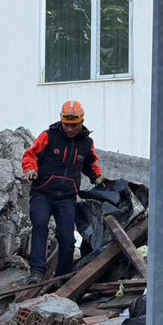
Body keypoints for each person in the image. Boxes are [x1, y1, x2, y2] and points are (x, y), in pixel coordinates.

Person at [21, 100, 108, 285]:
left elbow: (90, 164)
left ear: (81, 122)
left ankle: (62, 277)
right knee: (40, 226)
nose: (70, 129)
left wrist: (98, 178)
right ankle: (36, 272)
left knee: (67, 239)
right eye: (66, 125)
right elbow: (30, 155)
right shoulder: (48, 136)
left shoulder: (86, 143)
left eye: (74, 126)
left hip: (67, 198)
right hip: (42, 193)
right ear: (61, 120)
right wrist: (30, 169)